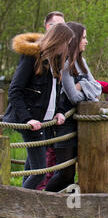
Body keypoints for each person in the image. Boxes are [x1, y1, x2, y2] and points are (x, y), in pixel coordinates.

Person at [3, 23, 75, 189]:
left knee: (31, 168)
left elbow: (54, 92)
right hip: (31, 122)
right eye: (66, 43)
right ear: (57, 41)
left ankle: (21, 205)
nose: (67, 47)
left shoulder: (56, 61)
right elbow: (14, 91)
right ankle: (16, 202)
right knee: (40, 172)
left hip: (45, 121)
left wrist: (59, 112)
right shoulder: (32, 58)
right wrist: (27, 119)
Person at [44, 22, 102, 192]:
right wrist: (87, 88)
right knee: (65, 173)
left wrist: (82, 85)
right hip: (65, 124)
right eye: (83, 37)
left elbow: (97, 87)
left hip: (83, 125)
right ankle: (44, 201)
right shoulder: (66, 63)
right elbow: (74, 97)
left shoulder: (81, 62)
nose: (86, 41)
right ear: (75, 39)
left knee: (80, 171)